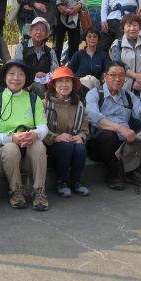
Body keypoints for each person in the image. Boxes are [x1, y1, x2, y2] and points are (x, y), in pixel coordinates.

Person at [0, 60, 49, 211]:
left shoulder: (34, 99)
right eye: (11, 74)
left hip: (28, 155)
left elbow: (43, 127)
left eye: (20, 74)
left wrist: (35, 134)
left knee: (39, 144)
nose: (16, 78)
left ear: (25, 78)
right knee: (11, 148)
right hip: (4, 156)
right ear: (5, 77)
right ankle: (16, 191)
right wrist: (11, 138)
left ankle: (39, 191)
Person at [85, 62, 141, 191]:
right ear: (105, 76)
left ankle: (138, 172)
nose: (117, 79)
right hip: (101, 144)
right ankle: (113, 175)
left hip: (125, 144)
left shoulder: (128, 95)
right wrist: (120, 128)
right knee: (109, 135)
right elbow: (95, 117)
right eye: (113, 75)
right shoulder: (94, 94)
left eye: (121, 75)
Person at [43, 66, 90, 197]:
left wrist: (80, 136)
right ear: (54, 85)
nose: (64, 85)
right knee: (66, 146)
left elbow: (85, 129)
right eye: (60, 81)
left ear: (73, 84)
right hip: (51, 147)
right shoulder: (44, 104)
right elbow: (40, 129)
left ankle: (76, 182)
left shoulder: (79, 105)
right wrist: (56, 137)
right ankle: (61, 183)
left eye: (68, 81)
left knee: (80, 148)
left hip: (72, 146)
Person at [13, 17, 58, 98]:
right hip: (25, 82)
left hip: (46, 83)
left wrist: (46, 75)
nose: (39, 32)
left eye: (42, 30)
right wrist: (33, 76)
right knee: (38, 87)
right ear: (30, 31)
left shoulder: (51, 51)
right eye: (36, 29)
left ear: (46, 34)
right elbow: (17, 67)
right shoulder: (21, 47)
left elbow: (56, 71)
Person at [68, 26, 109, 91]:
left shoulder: (103, 55)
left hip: (97, 86)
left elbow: (107, 70)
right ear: (85, 38)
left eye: (95, 36)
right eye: (89, 36)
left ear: (98, 39)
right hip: (80, 86)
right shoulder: (78, 54)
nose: (92, 38)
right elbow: (69, 71)